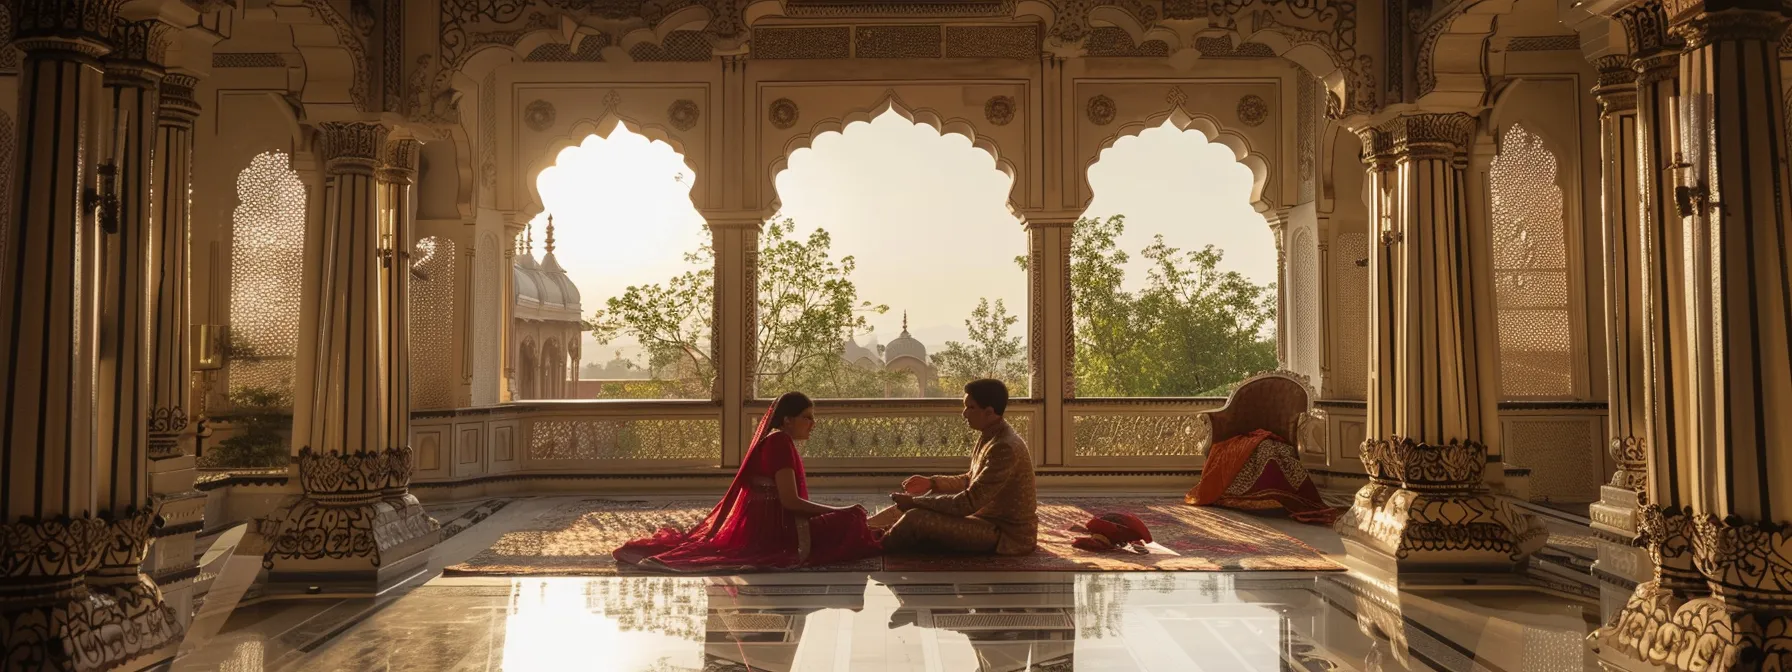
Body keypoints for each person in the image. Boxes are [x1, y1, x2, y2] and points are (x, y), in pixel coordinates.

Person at [614, 392, 883, 571]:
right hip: (781, 533)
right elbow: (791, 502)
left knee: (857, 521)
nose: (813, 424)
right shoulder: (779, 442)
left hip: (769, 526)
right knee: (853, 519)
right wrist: (839, 511)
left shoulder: (777, 440)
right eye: (807, 417)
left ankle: (882, 529)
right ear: (788, 420)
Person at [869, 379, 1038, 556]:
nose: (964, 414)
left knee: (915, 517)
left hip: (1005, 534)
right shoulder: (990, 435)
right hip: (984, 518)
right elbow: (970, 479)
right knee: (928, 497)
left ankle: (873, 544)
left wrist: (914, 502)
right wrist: (932, 483)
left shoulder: (1005, 447)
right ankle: (868, 527)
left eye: (970, 408)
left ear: (989, 412)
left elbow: (968, 503)